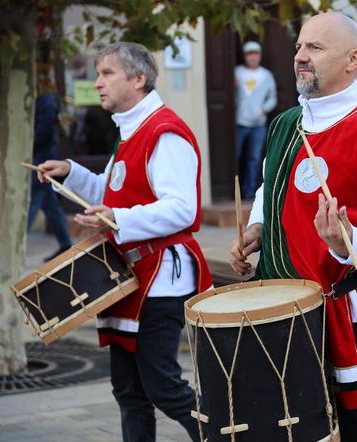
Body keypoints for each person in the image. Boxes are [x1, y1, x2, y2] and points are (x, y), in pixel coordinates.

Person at [229, 13, 357, 442]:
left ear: (354, 59)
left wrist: (349, 241)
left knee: (353, 433)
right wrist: (257, 228)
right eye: (299, 47)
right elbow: (269, 185)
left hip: (335, 312)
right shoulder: (282, 124)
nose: (300, 56)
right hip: (273, 305)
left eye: (315, 48)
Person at [37, 42, 213, 442]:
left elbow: (183, 210)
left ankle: (222, 436)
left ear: (138, 79)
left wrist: (118, 218)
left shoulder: (164, 132)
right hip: (130, 277)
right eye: (98, 74)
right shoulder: (132, 130)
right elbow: (114, 192)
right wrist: (70, 173)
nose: (97, 83)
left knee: (163, 388)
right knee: (129, 392)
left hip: (159, 279)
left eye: (107, 73)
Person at [28, 91, 73, 261]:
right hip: (42, 155)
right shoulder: (44, 97)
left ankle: (18, 240)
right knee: (49, 205)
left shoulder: (46, 98)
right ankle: (65, 243)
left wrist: (28, 142)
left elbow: (44, 130)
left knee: (34, 199)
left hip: (43, 157)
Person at [235, 41, 277, 198]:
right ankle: (235, 192)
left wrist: (264, 109)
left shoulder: (266, 75)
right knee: (237, 157)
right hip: (240, 122)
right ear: (245, 56)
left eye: (255, 54)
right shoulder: (237, 72)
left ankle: (249, 193)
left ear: (259, 56)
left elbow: (272, 98)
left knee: (254, 160)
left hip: (258, 124)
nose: (253, 57)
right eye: (249, 54)